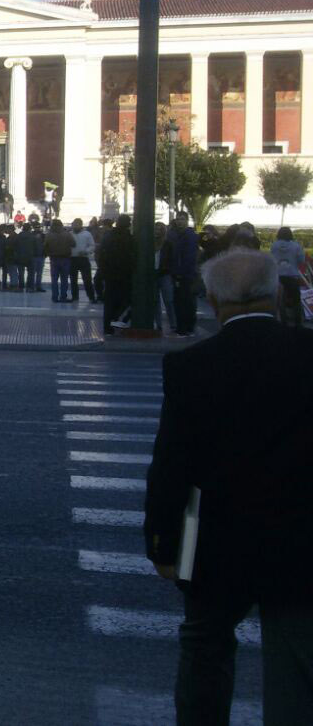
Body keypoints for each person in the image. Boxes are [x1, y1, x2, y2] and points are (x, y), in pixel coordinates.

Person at [144, 250, 313, 724]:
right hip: (301, 540)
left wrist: (161, 543)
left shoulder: (191, 366)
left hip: (219, 540)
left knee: (205, 649)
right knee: (296, 662)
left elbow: (171, 465)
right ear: (277, 293)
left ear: (213, 300)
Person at [98, 214, 136, 334]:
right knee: (125, 300)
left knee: (109, 301)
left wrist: (103, 270)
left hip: (110, 274)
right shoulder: (129, 238)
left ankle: (108, 326)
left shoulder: (108, 236)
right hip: (124, 275)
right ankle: (116, 320)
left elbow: (101, 254)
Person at [167, 213, 200, 336]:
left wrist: (181, 272)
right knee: (180, 301)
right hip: (178, 273)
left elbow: (189, 257)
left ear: (187, 220)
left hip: (186, 274)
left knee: (186, 301)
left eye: (182, 219)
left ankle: (186, 327)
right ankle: (184, 327)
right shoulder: (176, 235)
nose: (180, 222)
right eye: (178, 219)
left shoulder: (189, 236)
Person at [269, 226, 306, 327]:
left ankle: (283, 323)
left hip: (278, 276)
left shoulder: (274, 246)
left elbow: (271, 260)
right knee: (296, 301)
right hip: (292, 275)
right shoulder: (296, 246)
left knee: (281, 301)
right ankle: (298, 324)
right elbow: (302, 261)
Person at [44, 219, 75, 303]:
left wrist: (49, 252)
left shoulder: (49, 235)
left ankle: (54, 296)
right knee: (64, 279)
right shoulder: (67, 234)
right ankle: (63, 296)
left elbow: (45, 246)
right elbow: (73, 244)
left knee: (54, 279)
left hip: (54, 259)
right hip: (65, 258)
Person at [69, 218, 98, 303]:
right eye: (74, 224)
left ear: (81, 225)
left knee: (87, 279)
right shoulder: (70, 234)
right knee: (73, 279)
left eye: (77, 224)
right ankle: (75, 297)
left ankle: (91, 297)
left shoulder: (87, 234)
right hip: (72, 259)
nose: (75, 226)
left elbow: (92, 246)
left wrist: (86, 251)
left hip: (83, 259)